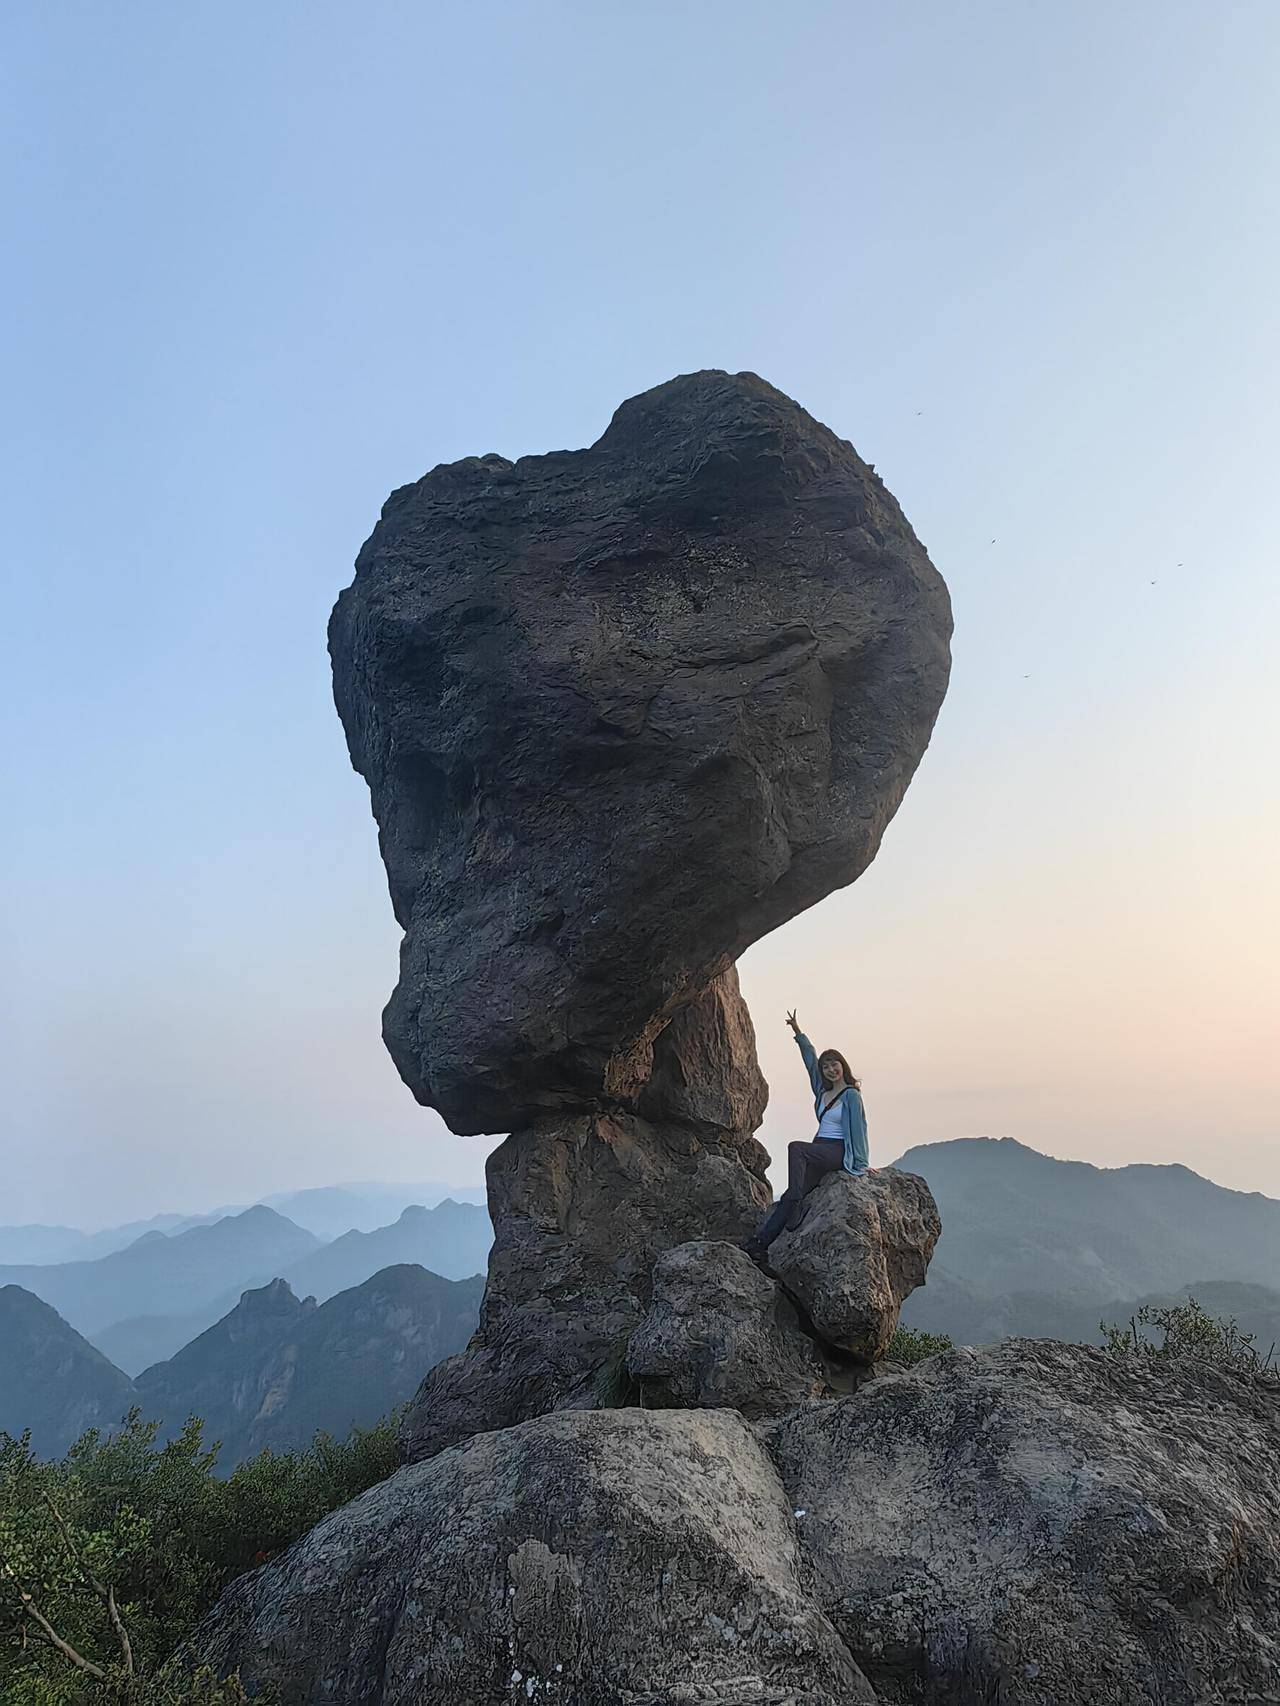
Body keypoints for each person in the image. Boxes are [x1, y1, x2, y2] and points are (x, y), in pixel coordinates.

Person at [743, 1009, 870, 1259]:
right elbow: (810, 1060)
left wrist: (862, 1164)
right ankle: (760, 1245)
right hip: (819, 1149)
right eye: (826, 1067)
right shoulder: (822, 1092)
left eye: (834, 1064)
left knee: (795, 1148)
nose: (830, 1069)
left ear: (842, 1066)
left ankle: (797, 1202)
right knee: (791, 1195)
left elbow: (859, 1129)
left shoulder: (851, 1096)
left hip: (836, 1151)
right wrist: (798, 1032)